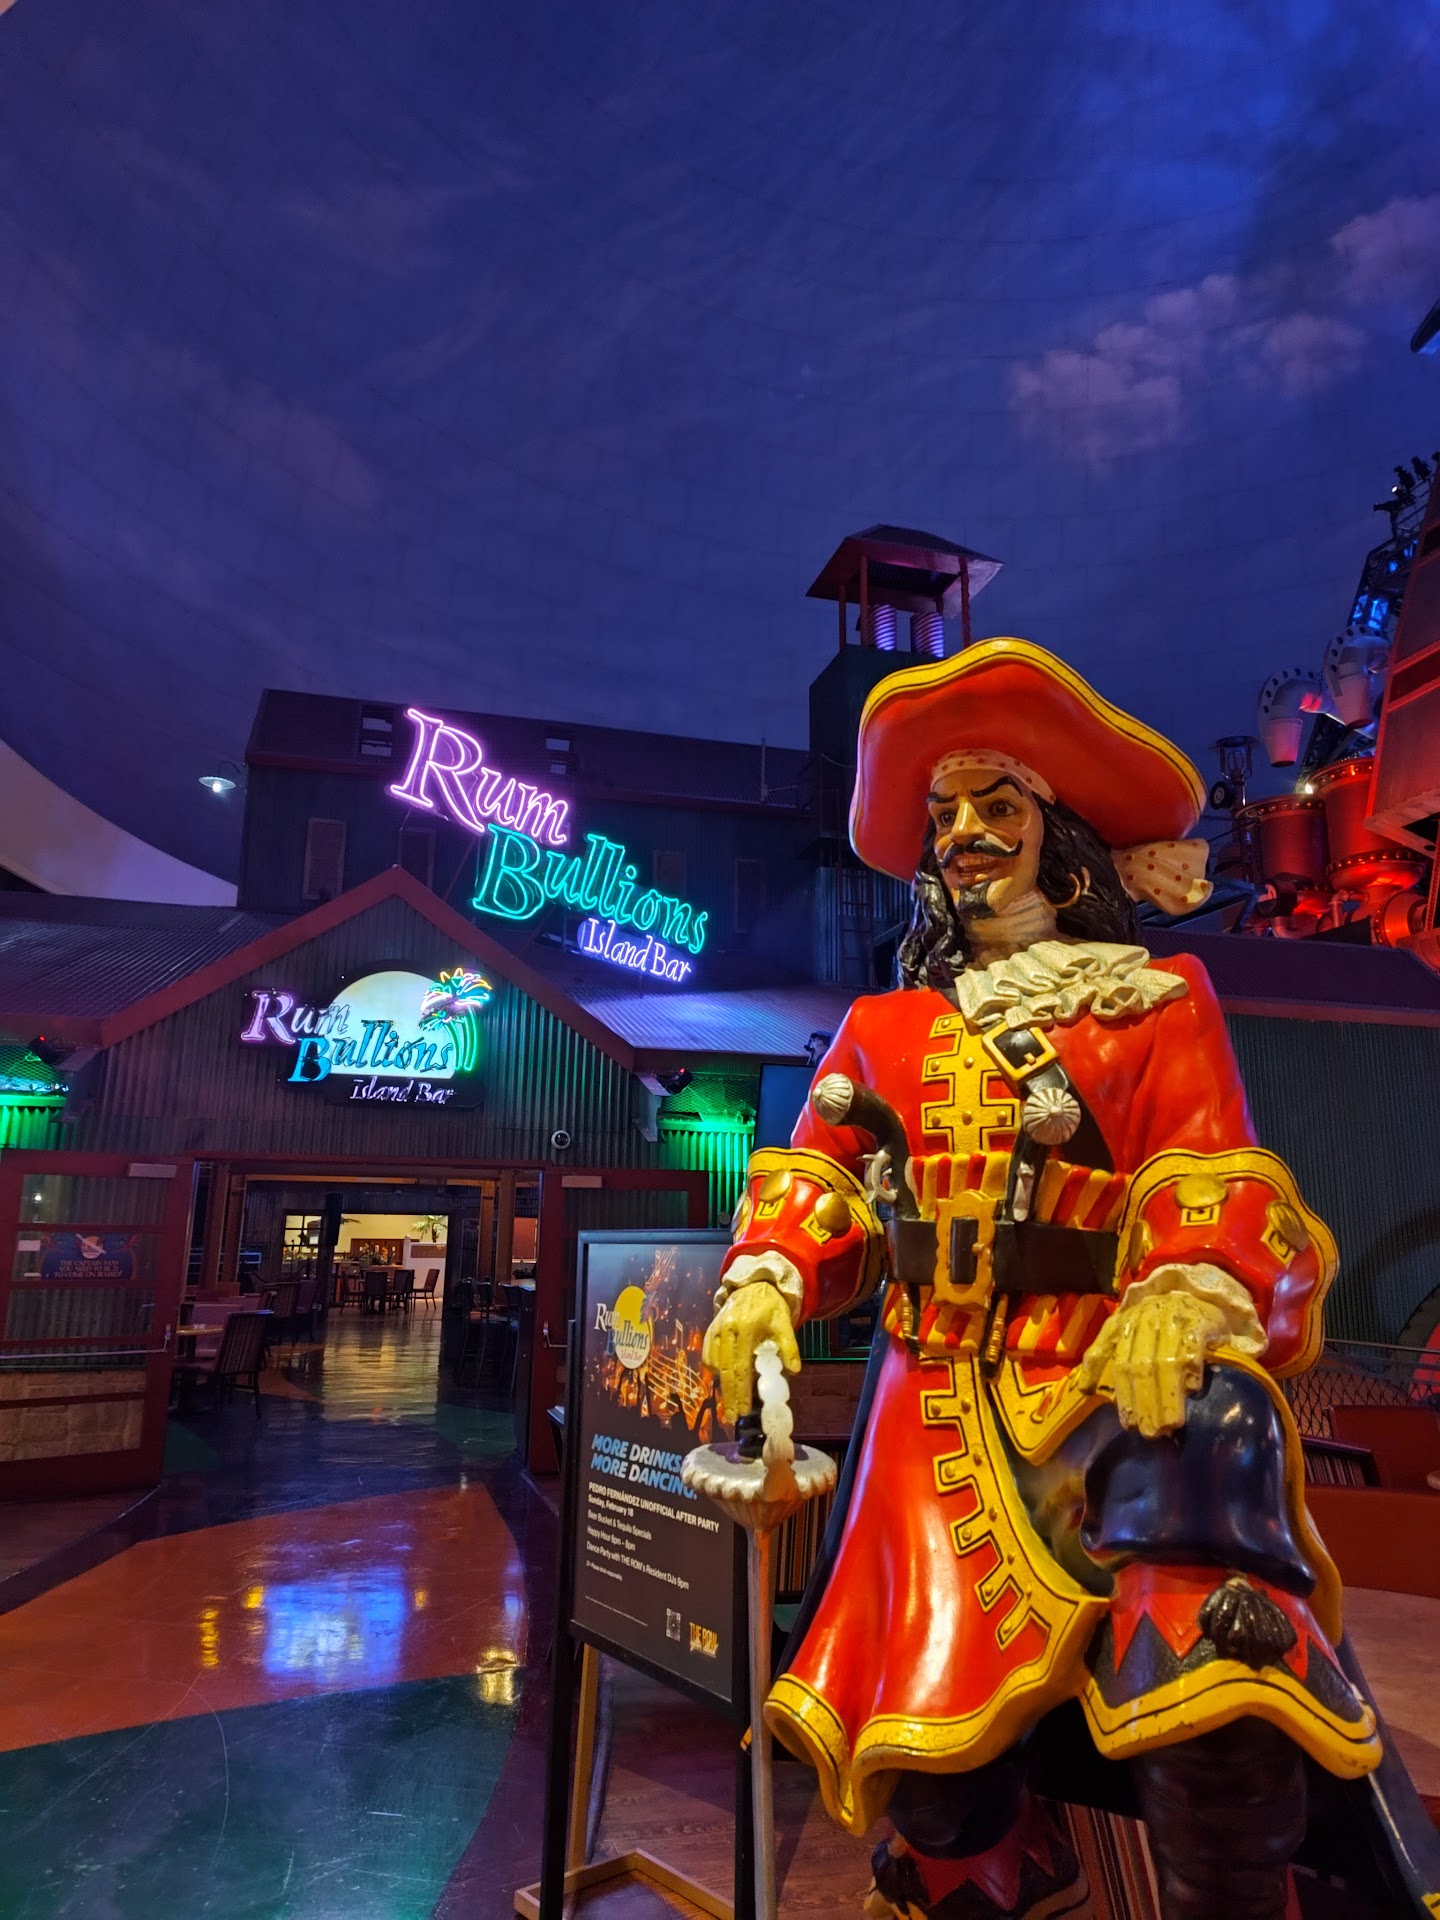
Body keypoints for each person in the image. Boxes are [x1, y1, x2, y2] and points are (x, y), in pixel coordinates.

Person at [702, 639, 1381, 1920]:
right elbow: (818, 1176)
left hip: (1098, 1372)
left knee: (1211, 1493)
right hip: (932, 1401)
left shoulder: (1156, 999)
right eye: (945, 814)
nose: (963, 833)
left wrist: (1184, 1287)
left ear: (1053, 833)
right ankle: (1001, 1878)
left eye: (995, 804)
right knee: (933, 1779)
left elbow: (1205, 1167)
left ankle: (1233, 1887)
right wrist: (768, 1274)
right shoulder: (881, 1028)